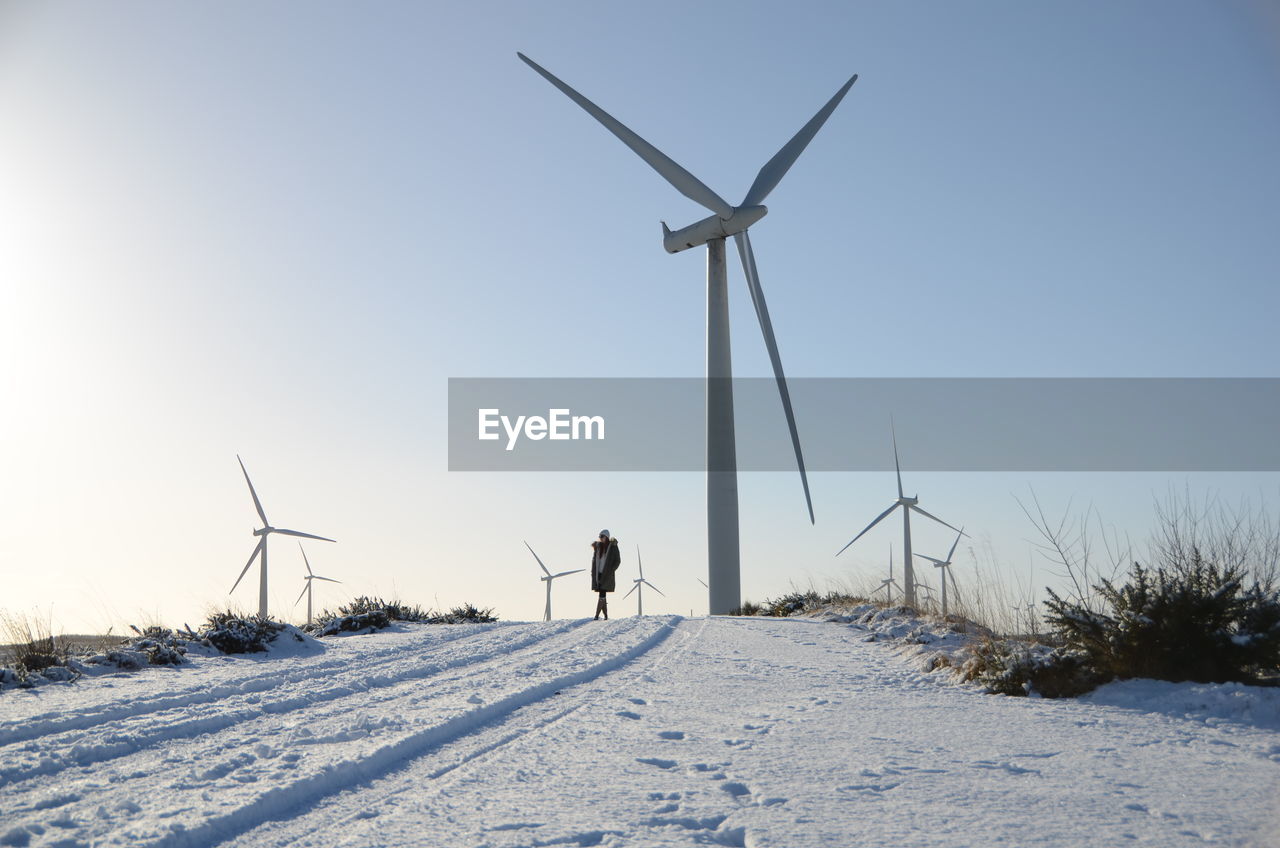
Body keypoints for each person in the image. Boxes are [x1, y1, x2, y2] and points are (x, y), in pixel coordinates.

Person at [590, 529, 621, 620]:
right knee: (602, 594)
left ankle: (596, 615)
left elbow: (617, 561)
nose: (600, 538)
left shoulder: (613, 547)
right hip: (598, 574)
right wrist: (593, 571)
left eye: (602, 536)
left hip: (607, 574)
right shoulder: (598, 547)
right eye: (599, 537)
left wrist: (611, 570)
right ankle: (606, 615)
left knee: (602, 594)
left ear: (606, 537)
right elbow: (594, 561)